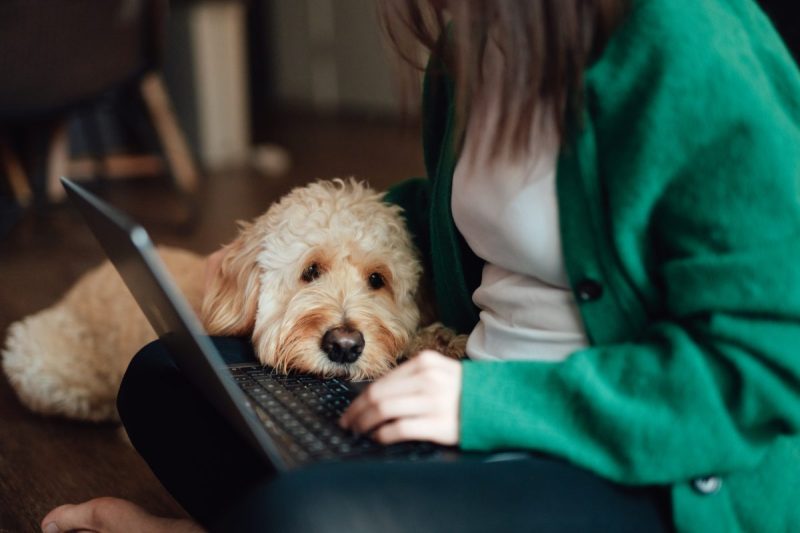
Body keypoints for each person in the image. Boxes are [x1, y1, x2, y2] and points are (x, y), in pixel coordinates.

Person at [42, 0, 800, 531]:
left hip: (645, 459)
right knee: (164, 378)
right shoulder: (471, 42)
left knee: (298, 517)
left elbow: (768, 360)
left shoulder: (684, 43)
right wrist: (280, 246)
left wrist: (490, 404)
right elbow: (456, 218)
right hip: (470, 393)